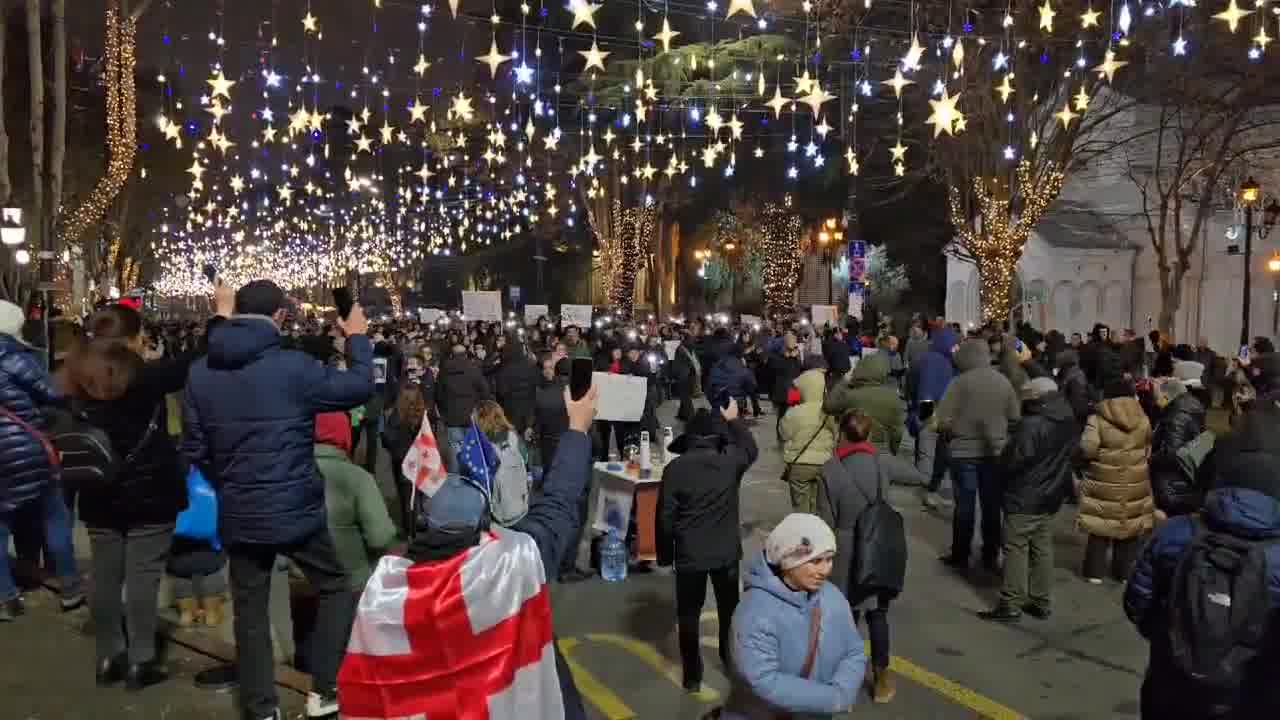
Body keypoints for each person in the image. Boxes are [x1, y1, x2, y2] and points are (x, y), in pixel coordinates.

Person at [340, 385, 599, 720]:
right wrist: (577, 430)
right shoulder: (512, 564)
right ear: (481, 525)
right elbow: (559, 501)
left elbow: (368, 690)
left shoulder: (385, 596)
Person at [183, 280, 374, 720]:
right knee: (335, 587)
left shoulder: (200, 372)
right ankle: (324, 690)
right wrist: (358, 336)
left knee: (249, 610)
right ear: (281, 317)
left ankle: (261, 707)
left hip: (240, 509)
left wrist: (231, 481)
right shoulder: (294, 367)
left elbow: (195, 448)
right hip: (296, 510)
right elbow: (361, 386)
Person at [73, 294, 229, 690]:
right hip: (149, 491)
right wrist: (221, 315)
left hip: (97, 488)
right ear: (129, 339)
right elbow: (200, 356)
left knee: (104, 576)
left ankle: (109, 656)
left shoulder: (74, 377)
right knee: (143, 577)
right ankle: (142, 660)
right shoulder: (144, 377)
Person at [1123, 403, 1280, 719]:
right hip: (1253, 694)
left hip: (1172, 683)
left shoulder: (1176, 532)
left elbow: (1138, 602)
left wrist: (1172, 637)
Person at [816, 411, 924, 703]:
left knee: (844, 619)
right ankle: (882, 680)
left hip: (842, 551)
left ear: (842, 433)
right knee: (877, 616)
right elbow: (918, 476)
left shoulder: (830, 469)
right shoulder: (881, 462)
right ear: (869, 433)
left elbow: (824, 520)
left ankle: (842, 683)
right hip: (876, 547)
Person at [719, 513, 867, 719]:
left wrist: (843, 690)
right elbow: (763, 680)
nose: (825, 570)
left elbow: (854, 650)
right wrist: (831, 698)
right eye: (815, 561)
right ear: (787, 560)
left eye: (829, 559)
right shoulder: (755, 613)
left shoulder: (833, 597)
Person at [657, 400, 759, 694]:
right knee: (729, 609)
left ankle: (692, 675)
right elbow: (751, 449)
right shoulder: (730, 464)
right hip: (726, 554)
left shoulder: (675, 469)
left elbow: (665, 517)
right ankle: (729, 659)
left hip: (689, 556)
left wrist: (666, 555)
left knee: (688, 614)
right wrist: (734, 420)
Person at [0, 300, 83, 622]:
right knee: (54, 515)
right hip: (26, 448)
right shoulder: (16, 358)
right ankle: (70, 587)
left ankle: (7, 597)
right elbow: (51, 392)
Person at [980, 377, 1079, 622]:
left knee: (1016, 547)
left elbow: (1014, 461)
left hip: (1024, 494)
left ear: (1034, 398)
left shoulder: (1032, 425)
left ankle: (1011, 602)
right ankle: (1041, 600)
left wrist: (1000, 463)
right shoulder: (1067, 419)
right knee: (1042, 547)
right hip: (1051, 492)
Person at [931, 339, 1021, 573]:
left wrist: (950, 428)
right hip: (994, 453)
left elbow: (941, 420)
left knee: (965, 506)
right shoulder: (1003, 382)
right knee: (992, 506)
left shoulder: (959, 383)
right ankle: (990, 553)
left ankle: (961, 553)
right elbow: (1014, 417)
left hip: (963, 453)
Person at [1077, 378, 1154, 583]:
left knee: (1100, 524)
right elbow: (1148, 448)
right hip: (1135, 479)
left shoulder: (1097, 418)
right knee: (1129, 525)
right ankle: (1123, 573)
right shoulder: (1143, 417)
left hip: (1103, 478)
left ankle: (1095, 572)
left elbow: (1088, 448)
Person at [314, 409, 396, 591]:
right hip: (351, 582)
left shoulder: (292, 475)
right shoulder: (358, 478)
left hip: (304, 583)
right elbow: (381, 537)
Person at [907, 325, 958, 508]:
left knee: (930, 455)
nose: (956, 348)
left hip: (929, 413)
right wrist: (927, 419)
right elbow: (926, 392)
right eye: (954, 344)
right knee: (929, 456)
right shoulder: (938, 362)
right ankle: (926, 493)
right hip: (933, 414)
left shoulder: (930, 359)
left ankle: (929, 491)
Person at [779, 365, 837, 514]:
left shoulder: (794, 412)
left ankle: (803, 530)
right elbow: (836, 435)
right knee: (820, 505)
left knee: (800, 507)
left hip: (799, 464)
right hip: (824, 463)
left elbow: (784, 434)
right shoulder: (829, 412)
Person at [823, 352, 904, 456]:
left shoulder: (851, 395)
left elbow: (828, 406)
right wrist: (893, 451)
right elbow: (897, 432)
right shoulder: (893, 397)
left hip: (853, 450)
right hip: (881, 451)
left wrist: (843, 381)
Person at [1149, 379, 1208, 519]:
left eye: (1157, 398)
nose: (1156, 402)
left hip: (1173, 487)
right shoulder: (1193, 410)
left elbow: (1173, 454)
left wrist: (1151, 458)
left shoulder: (1176, 416)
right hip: (1189, 483)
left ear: (1166, 397)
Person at [435, 342, 492, 461]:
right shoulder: (473, 369)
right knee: (473, 450)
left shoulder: (444, 370)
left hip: (452, 417)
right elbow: (485, 391)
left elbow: (439, 394)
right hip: (471, 415)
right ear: (466, 354)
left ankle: (457, 477)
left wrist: (443, 412)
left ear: (452, 355)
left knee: (456, 451)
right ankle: (473, 477)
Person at [494, 340, 540, 435]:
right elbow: (537, 385)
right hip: (529, 409)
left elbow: (501, 391)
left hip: (511, 409)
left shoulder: (504, 369)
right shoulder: (531, 366)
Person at [766, 331, 804, 419]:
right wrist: (787, 356)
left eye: (794, 340)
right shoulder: (776, 356)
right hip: (782, 391)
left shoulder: (797, 355)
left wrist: (797, 356)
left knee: (794, 417)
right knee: (783, 417)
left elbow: (800, 370)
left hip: (794, 389)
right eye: (790, 339)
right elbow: (773, 370)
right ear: (785, 341)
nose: (793, 342)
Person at [670, 332, 702, 422]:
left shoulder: (680, 349)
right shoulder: (691, 347)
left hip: (683, 376)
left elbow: (676, 364)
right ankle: (682, 414)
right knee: (685, 396)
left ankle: (691, 418)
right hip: (691, 375)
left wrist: (673, 375)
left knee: (685, 397)